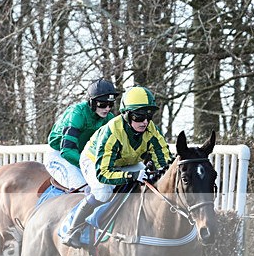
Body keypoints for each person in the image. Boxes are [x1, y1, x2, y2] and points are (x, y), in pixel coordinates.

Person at [60, 85, 171, 247]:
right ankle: (72, 228)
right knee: (103, 191)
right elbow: (103, 173)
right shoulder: (112, 131)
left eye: (149, 116)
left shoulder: (152, 131)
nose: (145, 122)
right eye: (139, 116)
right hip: (95, 162)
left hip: (125, 162)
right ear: (126, 115)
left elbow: (165, 163)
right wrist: (131, 176)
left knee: (149, 184)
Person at [45, 78, 118, 189]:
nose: (107, 109)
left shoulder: (109, 119)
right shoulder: (77, 113)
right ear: (92, 102)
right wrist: (90, 166)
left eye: (110, 104)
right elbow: (67, 151)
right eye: (103, 104)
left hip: (84, 157)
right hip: (59, 154)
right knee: (84, 188)